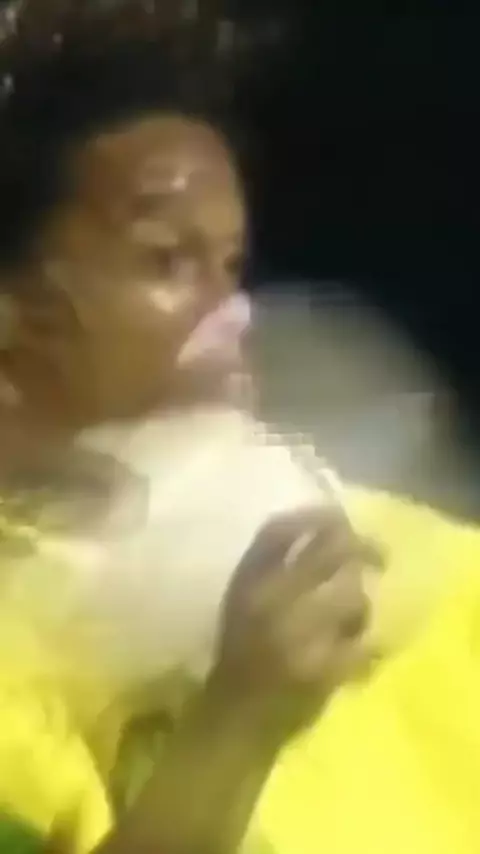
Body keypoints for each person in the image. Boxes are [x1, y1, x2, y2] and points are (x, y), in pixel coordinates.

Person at [0, 3, 371, 852]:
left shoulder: (391, 552)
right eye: (167, 261)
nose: (232, 318)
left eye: (231, 267)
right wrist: (236, 724)